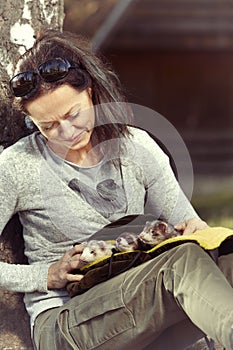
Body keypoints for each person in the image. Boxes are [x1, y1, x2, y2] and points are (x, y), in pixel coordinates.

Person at [2, 28, 233, 350]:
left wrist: (196, 228)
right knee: (181, 262)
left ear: (92, 92)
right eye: (48, 126)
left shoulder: (137, 146)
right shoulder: (16, 165)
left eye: (73, 114)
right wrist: (43, 276)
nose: (66, 132)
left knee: (228, 260)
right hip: (67, 323)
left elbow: (188, 224)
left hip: (140, 303)